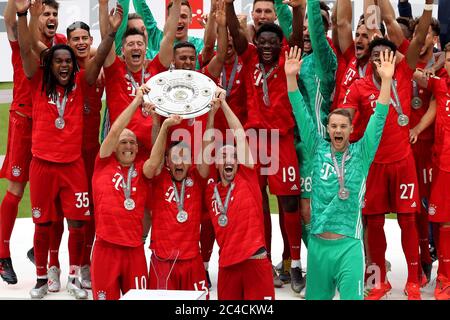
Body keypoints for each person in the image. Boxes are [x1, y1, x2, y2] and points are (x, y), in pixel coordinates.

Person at [15, 0, 123, 299]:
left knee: (78, 221)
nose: (64, 65)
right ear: (49, 64)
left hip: (73, 164)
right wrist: (24, 15)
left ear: (74, 64)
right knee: (44, 223)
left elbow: (99, 58)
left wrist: (111, 35)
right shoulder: (38, 81)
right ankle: (44, 276)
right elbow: (26, 49)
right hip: (42, 165)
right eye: (58, 61)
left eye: (67, 62)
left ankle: (75, 275)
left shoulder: (81, 81)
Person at [286, 45, 394, 300]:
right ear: (328, 128)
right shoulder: (317, 147)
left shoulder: (361, 153)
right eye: (333, 125)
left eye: (343, 126)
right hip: (318, 246)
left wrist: (386, 81)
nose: (338, 130)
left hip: (349, 247)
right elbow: (301, 113)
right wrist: (291, 78)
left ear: (349, 129)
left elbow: (379, 119)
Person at [341, 12, 432, 298]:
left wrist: (428, 7)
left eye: (387, 54)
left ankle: (414, 279)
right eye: (376, 54)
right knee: (375, 222)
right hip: (374, 166)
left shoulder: (404, 74)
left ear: (395, 59)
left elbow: (418, 38)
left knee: (408, 221)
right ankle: (377, 280)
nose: (382, 59)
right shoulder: (359, 87)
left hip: (403, 162)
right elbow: (345, 118)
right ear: (369, 58)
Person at [226, 0, 304, 294]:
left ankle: (294, 263)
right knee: (257, 202)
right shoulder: (248, 58)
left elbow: (296, 37)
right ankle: (266, 260)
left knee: (289, 203)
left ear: (280, 44)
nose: (267, 46)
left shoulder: (287, 58)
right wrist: (229, 5)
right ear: (255, 42)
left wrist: (297, 10)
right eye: (263, 42)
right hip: (255, 141)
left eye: (273, 42)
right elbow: (235, 32)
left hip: (281, 139)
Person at [0, 0, 66, 286]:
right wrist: (18, 5)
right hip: (24, 120)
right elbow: (8, 21)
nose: (50, 17)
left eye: (54, 13)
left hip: (48, 124)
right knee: (16, 188)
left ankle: (37, 249)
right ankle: (2, 253)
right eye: (46, 13)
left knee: (52, 190)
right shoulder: (24, 35)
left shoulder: (61, 42)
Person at [144, 92, 218, 297]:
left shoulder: (197, 177)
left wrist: (211, 117)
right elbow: (154, 156)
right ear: (167, 161)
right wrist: (161, 124)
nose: (179, 162)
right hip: (162, 262)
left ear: (191, 160)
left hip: (192, 261)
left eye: (184, 157)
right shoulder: (160, 177)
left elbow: (206, 151)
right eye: (174, 158)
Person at [204, 87, 275, 300]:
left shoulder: (247, 179)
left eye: (233, 157)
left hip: (256, 262)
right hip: (227, 266)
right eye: (223, 156)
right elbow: (206, 149)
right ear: (216, 164)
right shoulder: (210, 190)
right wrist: (210, 115)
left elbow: (240, 136)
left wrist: (223, 105)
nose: (228, 160)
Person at [91, 85, 156, 300]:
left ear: (137, 148)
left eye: (132, 143)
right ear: (114, 146)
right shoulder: (103, 163)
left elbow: (157, 151)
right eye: (123, 142)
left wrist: (158, 121)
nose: (128, 146)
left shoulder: (142, 169)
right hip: (105, 250)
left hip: (134, 251)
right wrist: (137, 101)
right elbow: (115, 130)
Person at [425, 42, 450, 300]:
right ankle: (444, 276)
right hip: (443, 164)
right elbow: (416, 74)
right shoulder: (440, 86)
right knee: (444, 222)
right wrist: (438, 62)